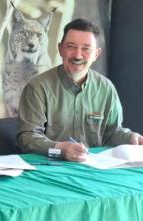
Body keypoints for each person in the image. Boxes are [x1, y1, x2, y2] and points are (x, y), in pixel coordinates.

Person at [17, 18, 143, 161]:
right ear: (60, 49)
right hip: (50, 167)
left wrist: (130, 137)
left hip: (93, 167)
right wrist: (60, 149)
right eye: (71, 47)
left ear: (96, 54)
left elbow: (111, 133)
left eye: (86, 49)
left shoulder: (106, 88)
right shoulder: (37, 88)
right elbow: (27, 138)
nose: (77, 55)